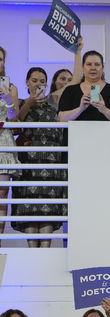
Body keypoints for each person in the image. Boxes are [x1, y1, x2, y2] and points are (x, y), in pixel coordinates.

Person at [11, 66, 68, 247]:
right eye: (34, 81)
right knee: (30, 213)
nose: (38, 84)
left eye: (42, 81)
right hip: (29, 166)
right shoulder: (19, 103)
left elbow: (73, 82)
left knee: (47, 215)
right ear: (27, 83)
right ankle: (32, 258)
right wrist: (28, 103)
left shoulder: (54, 104)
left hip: (51, 167)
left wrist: (78, 53)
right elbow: (13, 125)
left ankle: (45, 258)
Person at [58, 50, 110, 122]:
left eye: (97, 64)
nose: (93, 68)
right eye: (89, 64)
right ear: (82, 67)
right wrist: (80, 109)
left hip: (107, 133)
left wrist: (104, 109)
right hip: (77, 133)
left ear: (102, 68)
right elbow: (62, 118)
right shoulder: (70, 90)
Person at [0, 45, 21, 240]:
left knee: (1, 195)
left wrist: (8, 101)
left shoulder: (10, 86)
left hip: (3, 142)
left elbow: (14, 118)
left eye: (1, 59)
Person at [48, 36, 84, 109]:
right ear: (54, 81)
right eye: (62, 79)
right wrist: (77, 52)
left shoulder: (78, 101)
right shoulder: (51, 97)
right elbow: (76, 79)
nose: (66, 82)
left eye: (70, 80)